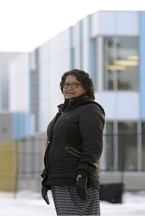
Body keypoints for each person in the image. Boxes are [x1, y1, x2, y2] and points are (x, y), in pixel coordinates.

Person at [41, 69, 105, 215]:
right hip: (61, 180)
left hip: (78, 180)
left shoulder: (90, 110)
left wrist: (83, 174)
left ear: (85, 87)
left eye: (75, 84)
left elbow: (93, 146)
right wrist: (47, 177)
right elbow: (57, 146)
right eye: (66, 85)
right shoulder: (64, 112)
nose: (69, 88)